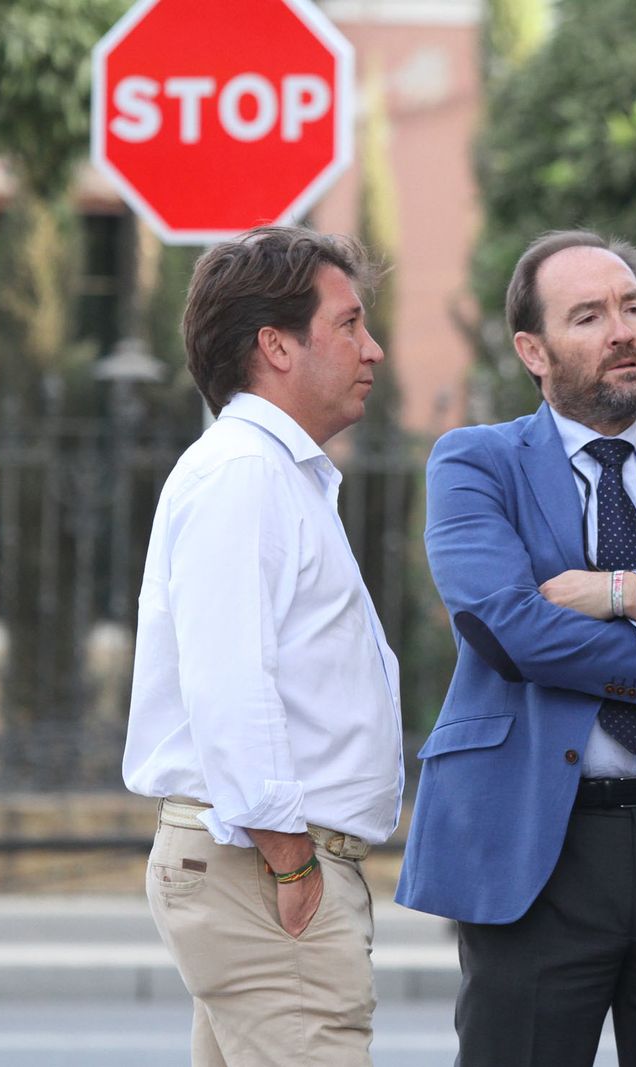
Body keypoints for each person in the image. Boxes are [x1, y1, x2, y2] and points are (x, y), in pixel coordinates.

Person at [397, 229, 636, 1067]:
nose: (622, 330)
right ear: (532, 350)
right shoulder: (475, 462)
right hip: (539, 841)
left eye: (632, 307)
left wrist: (632, 593)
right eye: (588, 316)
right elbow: (510, 627)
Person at [122, 225, 403, 1067]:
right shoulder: (245, 473)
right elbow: (230, 681)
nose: (374, 349)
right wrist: (290, 864)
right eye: (349, 324)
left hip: (258, 866)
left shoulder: (271, 471)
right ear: (275, 346)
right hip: (261, 865)